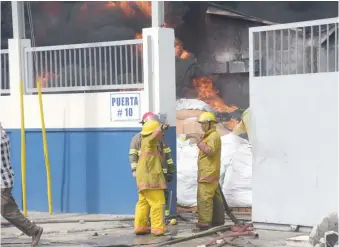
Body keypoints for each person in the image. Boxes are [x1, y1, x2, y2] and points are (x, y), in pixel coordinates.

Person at [1, 124, 43, 246]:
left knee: (8, 211)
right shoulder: (3, 134)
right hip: (5, 178)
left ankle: (34, 230)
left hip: (2, 182)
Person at [129, 112, 175, 219]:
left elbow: (167, 154)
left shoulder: (160, 139)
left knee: (162, 197)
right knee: (151, 200)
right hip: (147, 175)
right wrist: (134, 170)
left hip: (159, 174)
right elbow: (132, 155)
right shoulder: (138, 139)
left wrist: (171, 170)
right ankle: (154, 222)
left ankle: (163, 218)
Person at [190, 112, 225, 231]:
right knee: (215, 198)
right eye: (201, 124)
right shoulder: (210, 136)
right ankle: (218, 221)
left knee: (204, 198)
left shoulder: (213, 136)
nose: (202, 126)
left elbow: (210, 151)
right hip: (210, 172)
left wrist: (198, 141)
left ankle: (204, 223)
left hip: (207, 173)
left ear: (210, 124)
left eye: (204, 124)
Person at [134, 120, 169, 236]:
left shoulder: (144, 142)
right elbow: (154, 137)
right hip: (151, 179)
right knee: (158, 202)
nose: (162, 136)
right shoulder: (150, 142)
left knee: (143, 202)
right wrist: (161, 128)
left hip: (142, 178)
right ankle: (158, 228)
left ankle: (140, 227)